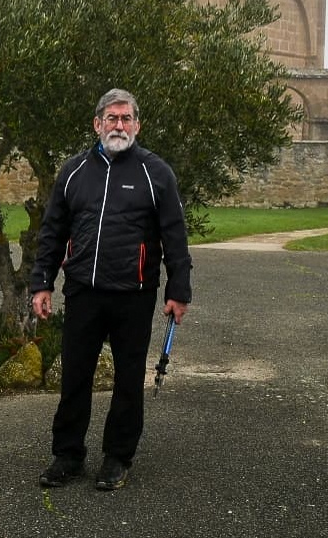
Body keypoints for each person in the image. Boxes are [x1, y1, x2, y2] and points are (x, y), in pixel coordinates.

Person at [30, 88, 193, 492]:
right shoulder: (73, 172)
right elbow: (52, 231)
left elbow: (175, 236)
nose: (118, 125)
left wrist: (179, 289)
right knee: (75, 376)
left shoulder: (156, 173)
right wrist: (42, 282)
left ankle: (118, 457)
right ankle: (67, 454)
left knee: (128, 379)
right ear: (97, 124)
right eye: (111, 118)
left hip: (134, 293)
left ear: (137, 125)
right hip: (83, 291)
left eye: (126, 118)